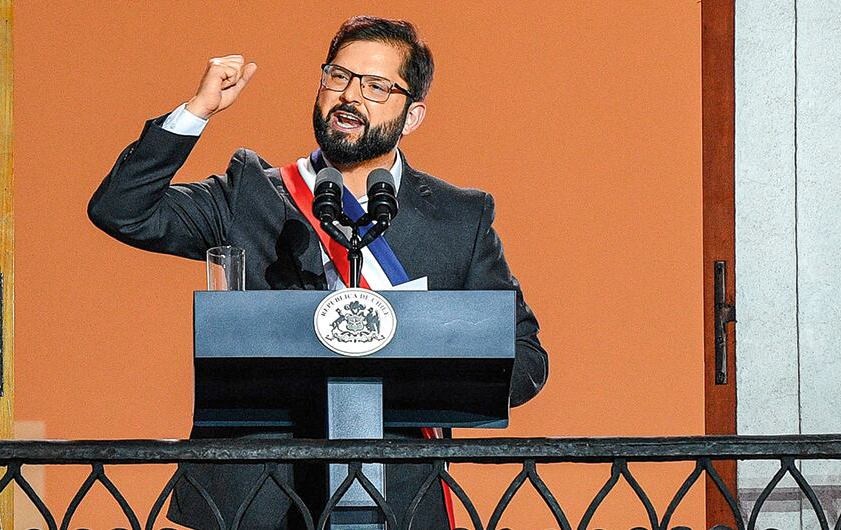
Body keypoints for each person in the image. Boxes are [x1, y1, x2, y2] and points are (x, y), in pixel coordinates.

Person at [88, 16, 548, 530]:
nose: (350, 96)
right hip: (257, 501)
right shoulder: (250, 194)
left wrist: (418, 385)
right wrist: (197, 111)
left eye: (376, 86)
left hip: (399, 501)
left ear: (412, 115)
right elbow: (121, 210)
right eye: (339, 76)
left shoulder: (457, 218)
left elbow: (525, 358)